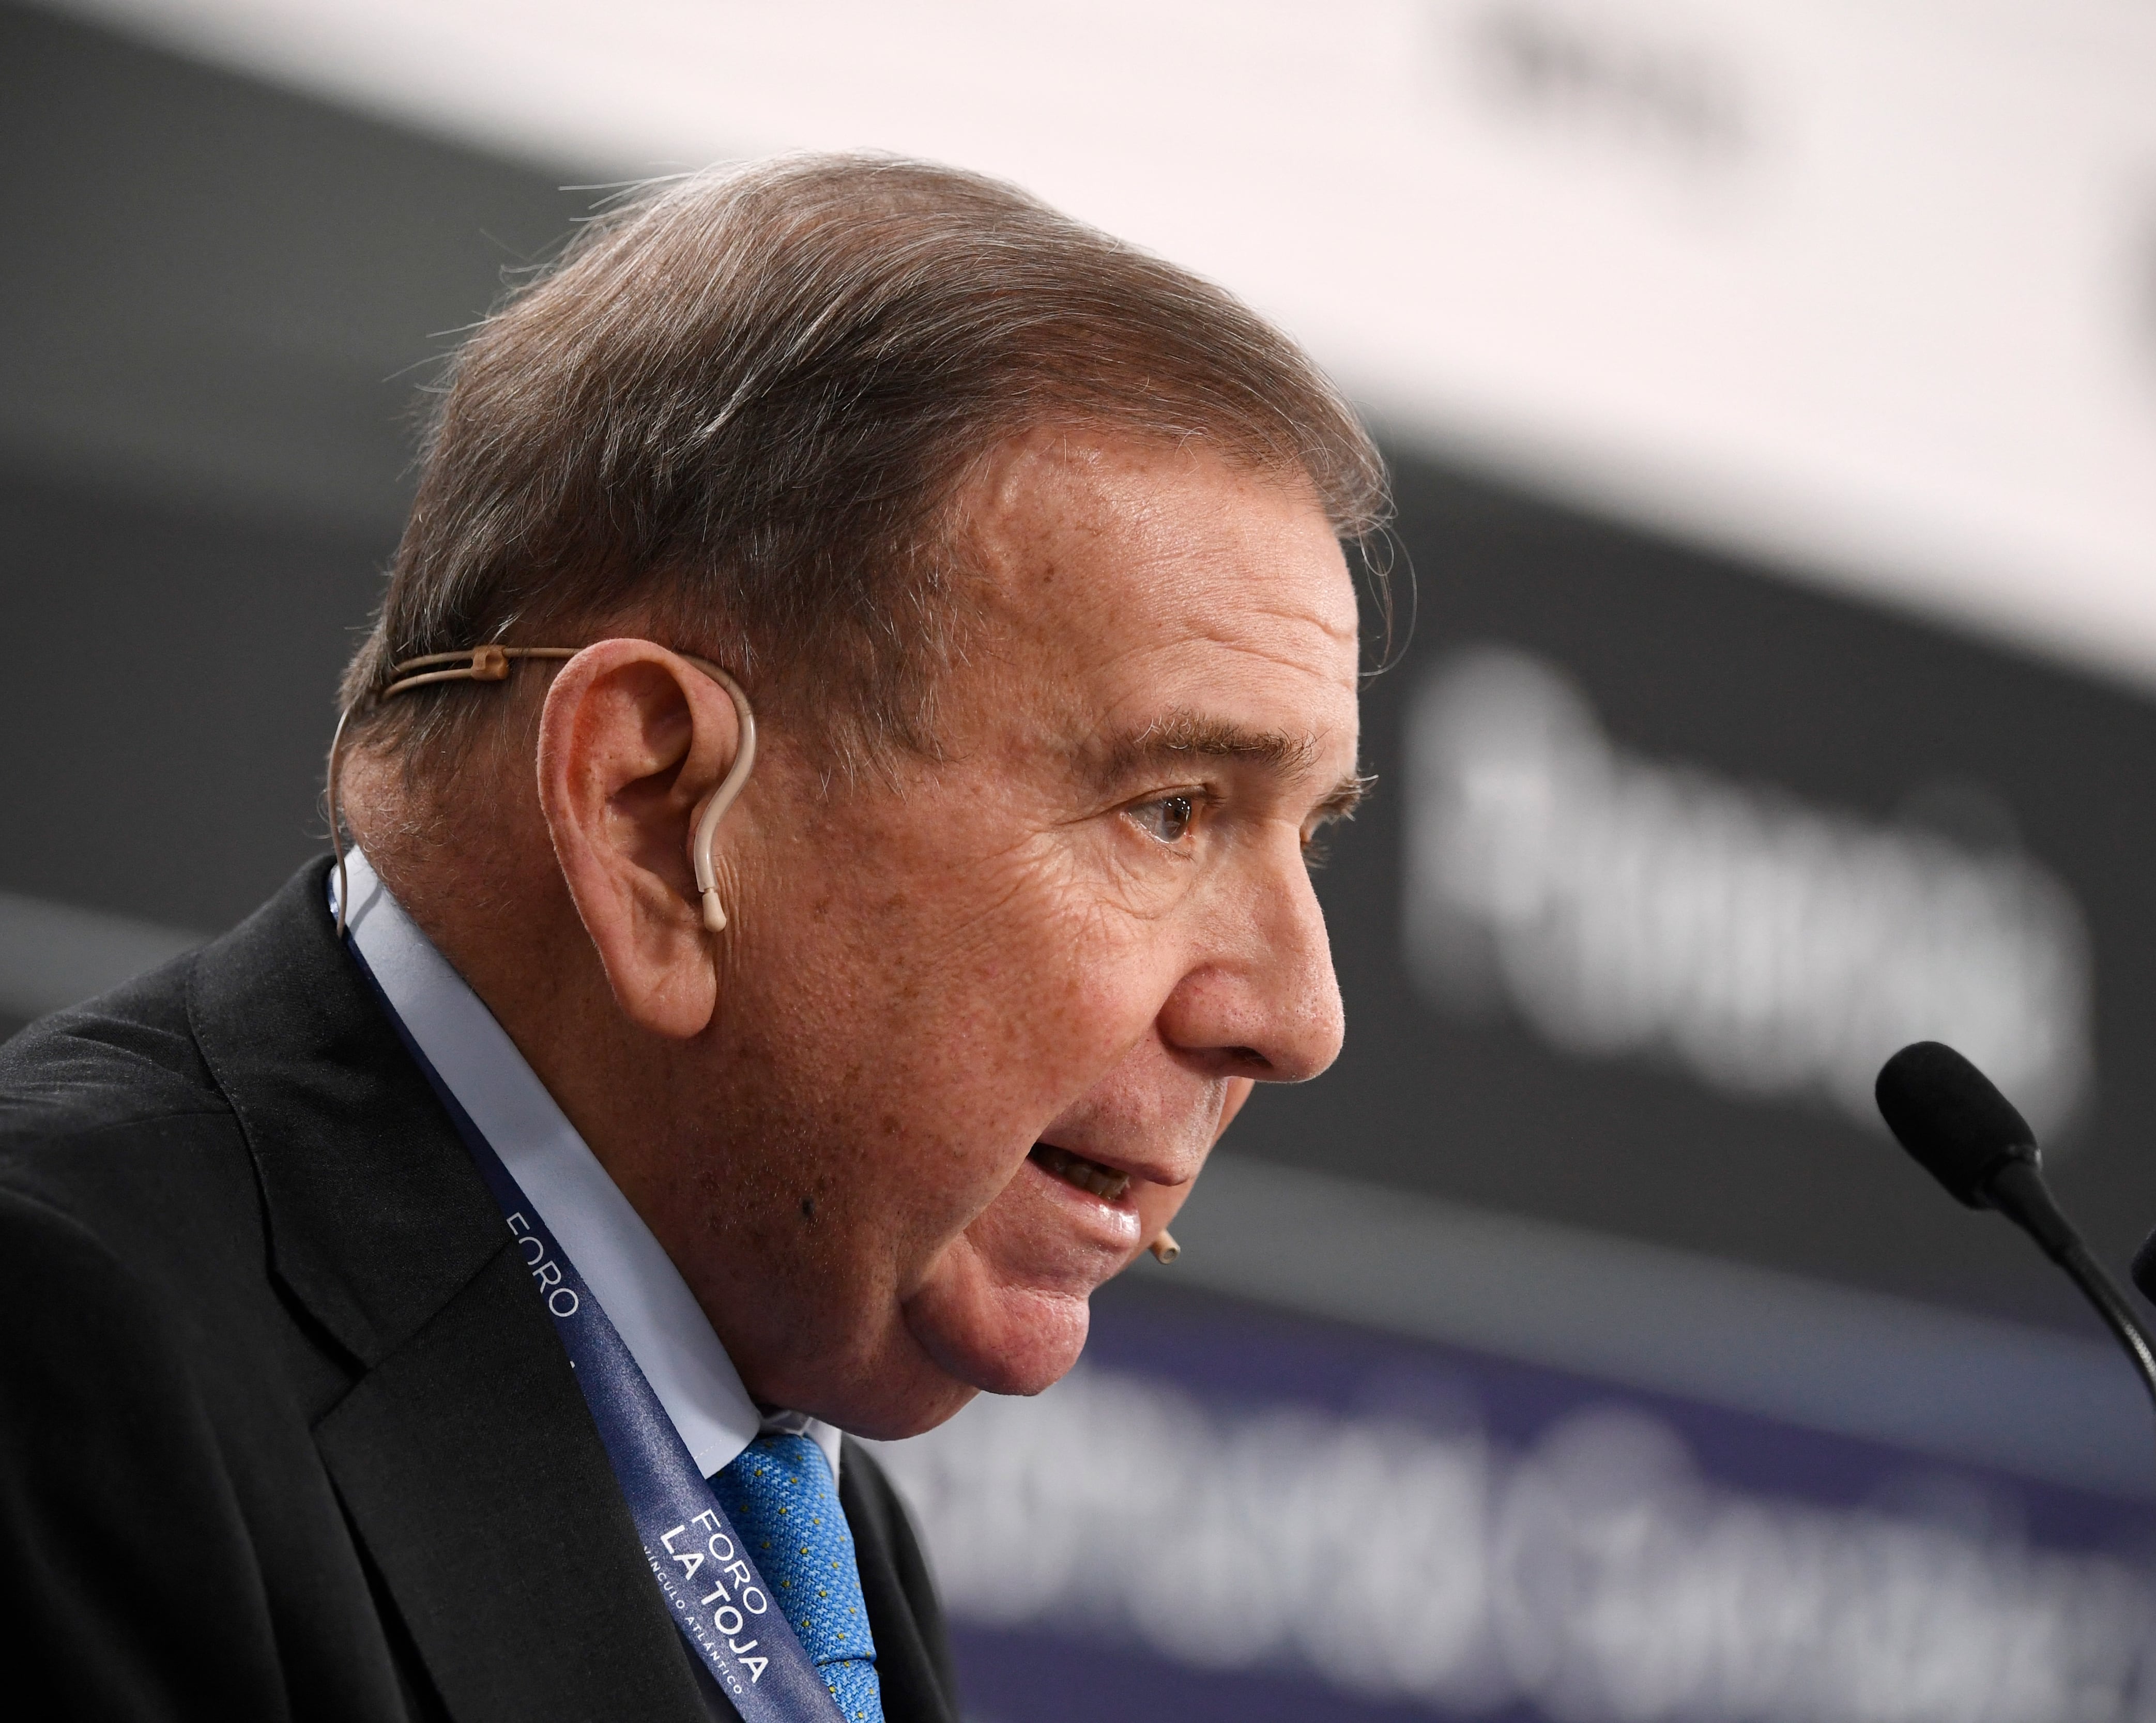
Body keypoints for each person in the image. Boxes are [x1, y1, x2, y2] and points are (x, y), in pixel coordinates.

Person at [0, 153, 1387, 1721]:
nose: (1301, 1014)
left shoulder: (802, 1517)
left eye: (1314, 832)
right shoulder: (66, 1355)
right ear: (656, 819)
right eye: (1171, 809)